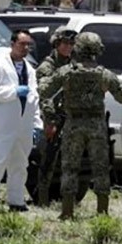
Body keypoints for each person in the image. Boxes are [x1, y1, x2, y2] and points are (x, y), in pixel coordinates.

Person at [42, 32, 122, 219]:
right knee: (100, 167)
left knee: (70, 167)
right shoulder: (104, 74)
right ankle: (102, 212)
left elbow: (44, 90)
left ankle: (67, 212)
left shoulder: (67, 72)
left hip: (73, 123)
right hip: (96, 124)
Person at [0, 29, 41, 211]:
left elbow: (33, 98)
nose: (25, 48)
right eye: (22, 44)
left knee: (21, 165)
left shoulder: (30, 70)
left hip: (23, 126)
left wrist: (37, 124)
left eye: (28, 44)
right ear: (12, 44)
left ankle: (16, 200)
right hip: (3, 125)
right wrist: (13, 92)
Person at [36, 26, 77, 206]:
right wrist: (50, 121)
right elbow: (45, 96)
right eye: (65, 43)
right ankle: (42, 197)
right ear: (57, 44)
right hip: (55, 117)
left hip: (72, 116)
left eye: (71, 43)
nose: (69, 47)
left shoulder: (73, 64)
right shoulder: (47, 67)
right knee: (49, 159)